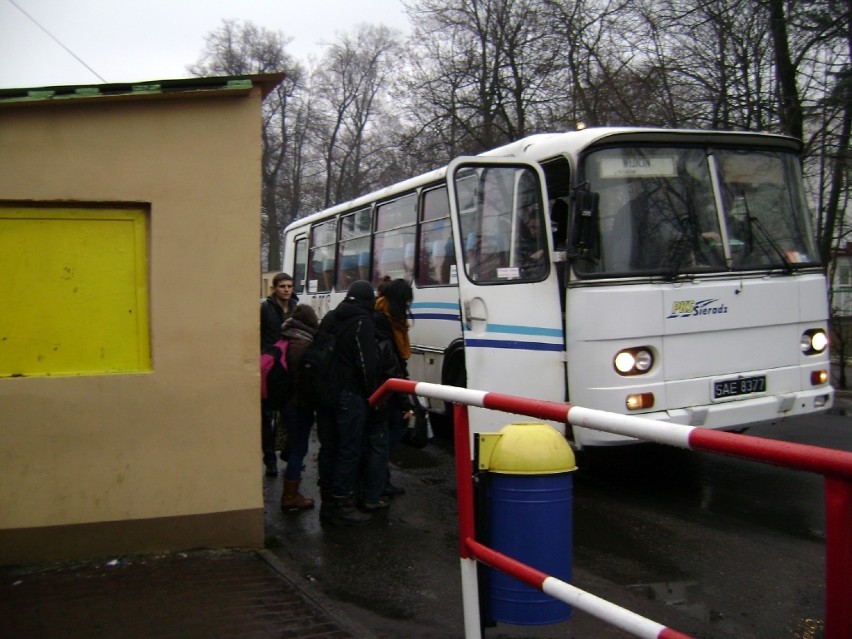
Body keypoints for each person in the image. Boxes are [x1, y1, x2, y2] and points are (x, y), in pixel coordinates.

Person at [315, 280, 379, 525]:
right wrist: (372, 395)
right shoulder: (363, 322)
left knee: (328, 447)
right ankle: (343, 502)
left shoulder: (332, 316)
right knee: (349, 449)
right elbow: (366, 365)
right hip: (349, 394)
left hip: (325, 393)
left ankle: (328, 501)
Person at [374, 277, 415, 499]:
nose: (409, 307)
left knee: (387, 434)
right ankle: (378, 482)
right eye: (407, 301)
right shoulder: (385, 321)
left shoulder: (387, 317)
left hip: (388, 386)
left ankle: (382, 479)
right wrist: (405, 402)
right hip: (385, 389)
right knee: (393, 429)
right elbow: (392, 366)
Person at [279, 304, 319, 511]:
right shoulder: (302, 344)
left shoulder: (287, 337)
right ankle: (290, 496)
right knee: (299, 449)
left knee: (294, 444)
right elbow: (304, 379)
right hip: (298, 403)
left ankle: (290, 491)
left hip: (287, 401)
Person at [260, 273, 298, 476]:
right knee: (267, 418)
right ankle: (269, 459)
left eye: (290, 286)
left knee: (289, 415)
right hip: (269, 365)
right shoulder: (265, 308)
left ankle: (288, 453)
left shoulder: (295, 307)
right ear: (274, 288)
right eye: (282, 286)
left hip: (287, 366)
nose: (286, 289)